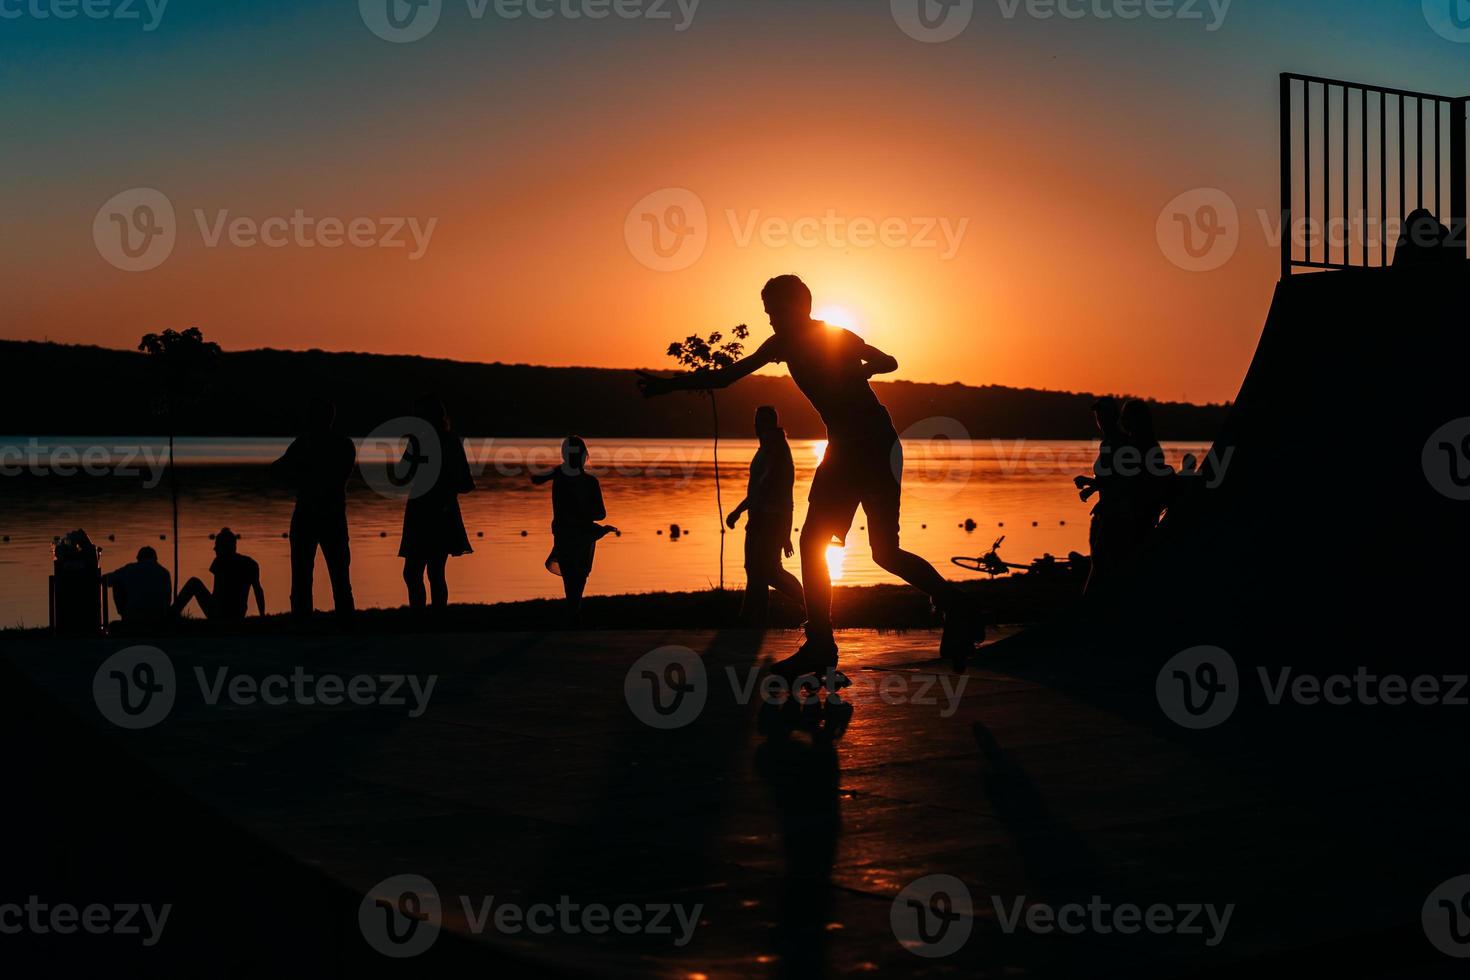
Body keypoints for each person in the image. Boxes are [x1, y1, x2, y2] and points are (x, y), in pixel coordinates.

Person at [639, 274, 983, 677]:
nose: (769, 319)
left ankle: (835, 640)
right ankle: (943, 609)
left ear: (796, 306)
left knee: (859, 547)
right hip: (858, 446)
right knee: (864, 549)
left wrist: (861, 370)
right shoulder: (784, 343)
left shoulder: (827, 336)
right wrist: (672, 385)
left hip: (868, 446)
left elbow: (888, 361)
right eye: (766, 312)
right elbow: (727, 375)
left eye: (773, 311)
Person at [270, 395, 356, 622]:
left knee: (304, 576)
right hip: (332, 516)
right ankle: (344, 624)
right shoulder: (344, 444)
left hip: (309, 514)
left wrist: (300, 478)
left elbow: (277, 471)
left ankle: (303, 623)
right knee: (337, 577)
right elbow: (339, 478)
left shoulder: (304, 443)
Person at [397, 395, 475, 614]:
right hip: (442, 510)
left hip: (424, 510)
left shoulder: (421, 441)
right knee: (434, 571)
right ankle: (434, 619)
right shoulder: (451, 441)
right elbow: (467, 483)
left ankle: (421, 619)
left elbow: (402, 476)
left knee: (414, 572)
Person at [726, 405, 803, 625]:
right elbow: (760, 489)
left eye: (761, 420)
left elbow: (766, 487)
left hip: (768, 519)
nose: (756, 425)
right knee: (755, 570)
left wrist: (738, 511)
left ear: (771, 423)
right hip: (761, 517)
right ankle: (751, 618)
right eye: (756, 420)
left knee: (769, 572)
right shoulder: (769, 447)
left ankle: (810, 605)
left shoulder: (774, 447)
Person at [533, 436, 618, 625]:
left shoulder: (561, 479)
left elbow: (539, 480)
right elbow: (600, 514)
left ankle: (573, 613)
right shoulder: (588, 482)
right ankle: (574, 613)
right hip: (580, 535)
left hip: (567, 534)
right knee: (578, 577)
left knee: (571, 577)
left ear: (564, 456)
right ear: (583, 456)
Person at [1074, 396, 1127, 596]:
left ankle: (1089, 606)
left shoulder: (1114, 443)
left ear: (1113, 416)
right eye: (1097, 415)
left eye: (1103, 414)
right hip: (1106, 508)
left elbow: (1118, 479)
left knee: (1100, 561)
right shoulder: (1111, 442)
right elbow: (1112, 478)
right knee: (1102, 561)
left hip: (1113, 511)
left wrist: (1089, 483)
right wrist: (1092, 487)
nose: (1099, 419)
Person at [171, 528, 265, 621]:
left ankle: (170, 615)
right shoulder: (251, 563)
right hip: (238, 613)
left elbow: (217, 594)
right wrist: (262, 615)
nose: (214, 549)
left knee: (194, 582)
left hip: (218, 612)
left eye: (217, 545)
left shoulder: (219, 562)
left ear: (225, 547)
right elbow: (258, 591)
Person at [106, 546, 172, 625]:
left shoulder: (129, 569)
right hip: (159, 616)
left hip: (133, 615)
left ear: (138, 559)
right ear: (155, 559)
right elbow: (168, 599)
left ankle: (124, 617)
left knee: (117, 582)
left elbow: (107, 580)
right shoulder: (165, 573)